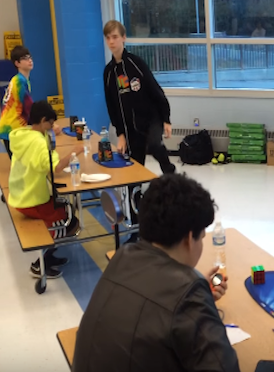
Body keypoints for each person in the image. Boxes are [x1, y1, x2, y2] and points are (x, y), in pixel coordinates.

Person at [72, 173, 240, 372]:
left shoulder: (122, 257)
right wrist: (194, 295)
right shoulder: (188, 293)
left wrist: (194, 293)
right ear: (188, 238)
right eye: (201, 237)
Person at [103, 20, 176, 242]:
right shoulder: (108, 73)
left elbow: (155, 90)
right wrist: (121, 134)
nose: (111, 41)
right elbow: (112, 106)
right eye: (108, 38)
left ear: (124, 38)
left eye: (115, 36)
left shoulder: (135, 63)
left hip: (151, 119)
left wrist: (166, 118)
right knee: (134, 179)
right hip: (130, 131)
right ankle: (137, 227)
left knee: (155, 145)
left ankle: (169, 170)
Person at [8, 101, 81, 279]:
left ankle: (49, 256)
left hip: (19, 194)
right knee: (70, 222)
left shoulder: (23, 135)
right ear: (42, 121)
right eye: (50, 123)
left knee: (65, 207)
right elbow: (54, 168)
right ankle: (40, 263)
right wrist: (74, 152)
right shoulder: (38, 143)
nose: (52, 127)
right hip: (30, 199)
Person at [0, 46, 34, 158]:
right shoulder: (19, 81)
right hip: (11, 129)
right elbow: (30, 108)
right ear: (17, 63)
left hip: (14, 127)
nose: (30, 60)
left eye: (30, 57)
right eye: (25, 58)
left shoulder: (22, 79)